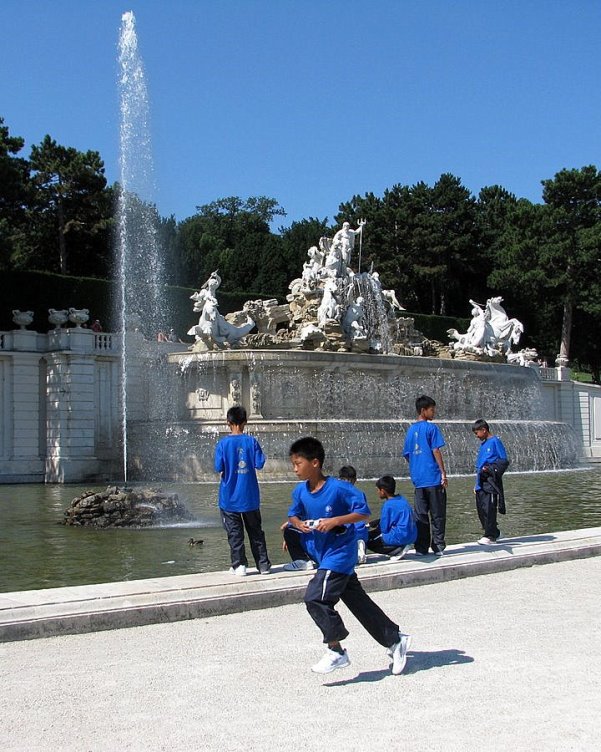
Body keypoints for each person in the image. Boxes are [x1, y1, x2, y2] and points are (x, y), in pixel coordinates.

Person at [286, 436, 411, 675]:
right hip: (323, 554)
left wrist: (336, 520)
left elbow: (363, 512)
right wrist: (297, 524)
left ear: (315, 463)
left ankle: (336, 651)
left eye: (297, 463)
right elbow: (293, 515)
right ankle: (395, 640)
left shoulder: (340, 489)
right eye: (292, 463)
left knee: (315, 597)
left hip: (340, 554)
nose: (294, 468)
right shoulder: (300, 492)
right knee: (359, 604)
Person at [214, 405, 271, 576]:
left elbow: (218, 467)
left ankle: (239, 565)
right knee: (256, 532)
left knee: (234, 533)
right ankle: (263, 565)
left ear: (228, 422)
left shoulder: (222, 444)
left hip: (229, 497)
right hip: (250, 497)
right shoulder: (251, 441)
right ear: (245, 422)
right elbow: (259, 463)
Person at [402, 395, 448, 556]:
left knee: (421, 515)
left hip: (418, 480)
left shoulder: (411, 430)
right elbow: (436, 450)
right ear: (423, 410)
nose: (433, 412)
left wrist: (417, 466)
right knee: (437, 514)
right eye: (431, 410)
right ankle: (438, 546)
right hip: (433, 478)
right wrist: (443, 472)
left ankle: (421, 548)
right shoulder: (431, 428)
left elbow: (407, 455)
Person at [472, 419, 510, 544]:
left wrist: (490, 469)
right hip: (480, 482)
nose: (476, 436)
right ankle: (496, 533)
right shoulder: (483, 444)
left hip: (490, 481)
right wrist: (476, 484)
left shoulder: (495, 441)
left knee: (489, 508)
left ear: (484, 430)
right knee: (481, 509)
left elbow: (503, 461)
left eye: (477, 433)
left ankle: (490, 536)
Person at [367, 475, 417, 560]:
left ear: (383, 491)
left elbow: (383, 529)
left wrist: (368, 534)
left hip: (401, 536)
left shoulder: (388, 505)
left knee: (369, 542)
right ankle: (400, 546)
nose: (377, 492)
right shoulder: (402, 499)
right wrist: (375, 523)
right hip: (412, 535)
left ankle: (396, 550)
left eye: (378, 490)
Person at [338, 465, 369, 565]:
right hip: (362, 532)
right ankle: (359, 548)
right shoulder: (361, 493)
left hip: (347, 533)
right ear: (354, 480)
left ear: (340, 479)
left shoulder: (338, 493)